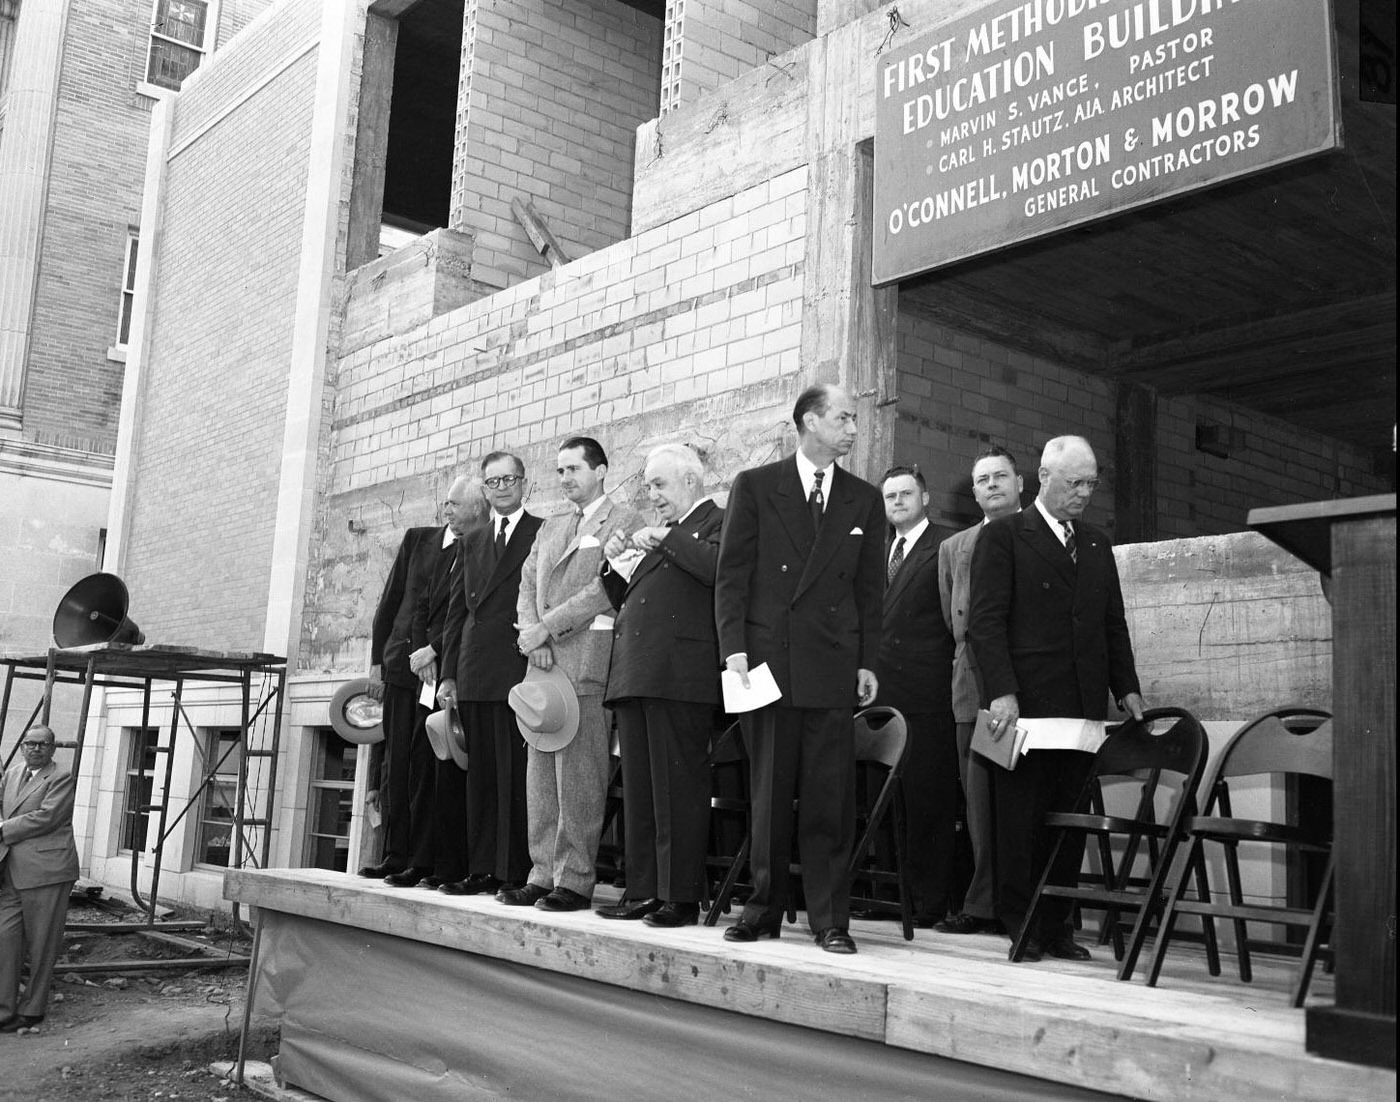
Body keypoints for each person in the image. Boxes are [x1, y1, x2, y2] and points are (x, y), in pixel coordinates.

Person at [714, 384, 885, 954]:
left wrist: (868, 661)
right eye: (844, 418)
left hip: (833, 666)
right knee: (767, 791)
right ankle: (762, 908)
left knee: (829, 799)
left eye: (855, 419)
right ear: (810, 421)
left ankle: (830, 919)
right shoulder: (758, 486)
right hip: (767, 662)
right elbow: (732, 574)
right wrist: (732, 647)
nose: (854, 428)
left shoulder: (864, 498)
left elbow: (869, 590)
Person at [967, 435, 1145, 962]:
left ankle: (1059, 926)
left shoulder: (1095, 543)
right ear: (1044, 477)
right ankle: (1021, 926)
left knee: (1070, 822)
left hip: (1083, 708)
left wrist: (1127, 688)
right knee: (1020, 824)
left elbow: (1112, 623)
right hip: (1024, 707)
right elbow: (985, 622)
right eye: (1075, 483)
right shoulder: (1003, 536)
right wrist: (1001, 691)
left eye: (1091, 483)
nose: (1084, 493)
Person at [595, 444, 723, 928]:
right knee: (643, 793)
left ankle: (680, 896)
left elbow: (717, 569)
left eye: (659, 484)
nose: (652, 495)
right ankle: (643, 890)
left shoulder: (717, 521)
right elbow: (623, 598)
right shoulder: (664, 535)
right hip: (637, 672)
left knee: (677, 790)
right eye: (648, 485)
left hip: (679, 675)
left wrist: (661, 539)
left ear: (690, 481)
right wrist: (614, 565)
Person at [512, 436, 641, 911]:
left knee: (581, 776)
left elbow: (604, 589)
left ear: (601, 470)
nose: (565, 479)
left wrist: (547, 627)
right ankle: (541, 872)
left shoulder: (625, 520)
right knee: (540, 775)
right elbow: (527, 584)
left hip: (584, 661)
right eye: (560, 471)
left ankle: (576, 879)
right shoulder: (551, 527)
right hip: (541, 665)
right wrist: (532, 633)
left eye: (574, 469)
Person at [436, 453, 542, 897]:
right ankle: (481, 869)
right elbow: (456, 612)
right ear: (484, 488)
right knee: (480, 777)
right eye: (493, 481)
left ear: (523, 483)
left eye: (509, 479)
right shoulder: (472, 540)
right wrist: (448, 675)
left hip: (519, 667)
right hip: (475, 668)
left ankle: (514, 869)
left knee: (516, 775)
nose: (501, 487)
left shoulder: (542, 531)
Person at [935, 445, 1023, 937]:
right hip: (976, 687)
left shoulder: (1038, 535)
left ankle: (1017, 904)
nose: (992, 485)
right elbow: (957, 620)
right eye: (983, 479)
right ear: (973, 492)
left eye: (1001, 476)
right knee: (980, 798)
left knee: (1021, 799)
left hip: (1026, 690)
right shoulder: (956, 548)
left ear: (1020, 484)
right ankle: (984, 902)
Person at [874, 465, 958, 927]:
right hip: (880, 693)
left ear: (925, 499)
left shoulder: (947, 544)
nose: (899, 502)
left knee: (928, 800)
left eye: (907, 494)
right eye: (890, 497)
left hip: (928, 691)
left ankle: (928, 902)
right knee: (887, 797)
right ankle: (891, 893)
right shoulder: (878, 550)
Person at [405, 475, 489, 888]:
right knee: (427, 768)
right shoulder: (447, 552)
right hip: (430, 676)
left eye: (455, 504)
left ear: (478, 506)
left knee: (457, 771)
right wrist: (423, 653)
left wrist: (436, 650)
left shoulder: (487, 547)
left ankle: (454, 865)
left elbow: (468, 613)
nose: (447, 512)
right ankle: (425, 861)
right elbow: (424, 605)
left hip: (462, 672)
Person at [360, 515, 439, 884]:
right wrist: (377, 662)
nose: (450, 510)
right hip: (399, 670)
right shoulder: (418, 540)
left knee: (427, 767)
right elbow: (390, 602)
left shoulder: (478, 545)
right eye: (448, 504)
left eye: (457, 504)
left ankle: (423, 859)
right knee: (396, 764)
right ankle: (394, 855)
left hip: (439, 674)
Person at [0, 725, 80, 1033]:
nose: (36, 749)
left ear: (52, 749)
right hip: (12, 872)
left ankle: (33, 1009)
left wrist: (3, 828)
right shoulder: (12, 774)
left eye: (42, 744)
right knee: (5, 941)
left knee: (42, 944)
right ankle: (4, 1011)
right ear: (21, 747)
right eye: (30, 744)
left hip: (48, 872)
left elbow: (47, 817)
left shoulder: (61, 777)